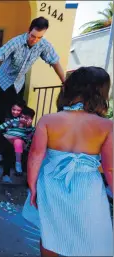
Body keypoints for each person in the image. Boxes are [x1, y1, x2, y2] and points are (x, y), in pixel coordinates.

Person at [22, 66, 113, 256]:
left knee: (51, 230)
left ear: (70, 89)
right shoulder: (107, 125)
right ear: (101, 93)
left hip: (51, 182)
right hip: (87, 187)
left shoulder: (48, 120)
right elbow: (110, 168)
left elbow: (35, 155)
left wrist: (32, 186)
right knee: (90, 233)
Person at [0, 16, 65, 127]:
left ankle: (16, 135)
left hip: (19, 81)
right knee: (0, 109)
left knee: (19, 110)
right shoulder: (16, 42)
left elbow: (54, 61)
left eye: (39, 37)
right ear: (29, 30)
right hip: (4, 79)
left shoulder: (43, 45)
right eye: (33, 36)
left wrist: (64, 82)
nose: (35, 40)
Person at [0, 106, 36, 183]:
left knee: (4, 140)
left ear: (30, 119)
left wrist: (28, 126)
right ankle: (6, 175)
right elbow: (5, 125)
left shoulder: (29, 127)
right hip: (7, 141)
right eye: (22, 117)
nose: (23, 119)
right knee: (3, 145)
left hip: (17, 143)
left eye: (26, 118)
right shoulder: (15, 121)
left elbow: (29, 136)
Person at [0, 99, 26, 164]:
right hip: (9, 138)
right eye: (13, 109)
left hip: (19, 139)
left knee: (13, 140)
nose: (15, 112)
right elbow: (3, 125)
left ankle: (17, 164)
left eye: (18, 110)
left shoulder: (24, 119)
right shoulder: (12, 120)